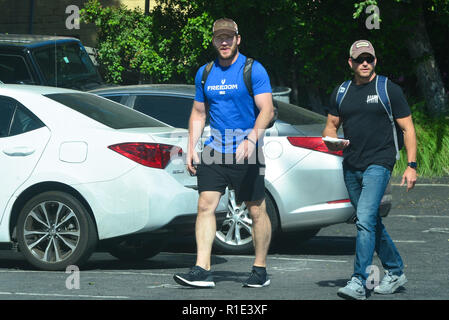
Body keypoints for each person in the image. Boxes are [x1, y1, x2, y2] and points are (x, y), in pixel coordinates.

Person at [173, 18, 275, 288]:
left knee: (256, 210)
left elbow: (267, 109)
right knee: (205, 205)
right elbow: (198, 112)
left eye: (229, 37)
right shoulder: (205, 72)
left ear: (238, 39)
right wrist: (192, 147)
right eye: (220, 37)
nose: (225, 42)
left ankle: (260, 268)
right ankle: (202, 269)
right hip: (215, 148)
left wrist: (252, 139)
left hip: (246, 150)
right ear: (214, 40)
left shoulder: (253, 69)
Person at [322, 40, 417, 300]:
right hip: (351, 164)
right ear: (350, 63)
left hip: (380, 162)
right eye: (359, 59)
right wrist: (332, 139)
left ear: (375, 61)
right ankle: (396, 270)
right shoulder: (342, 91)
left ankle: (359, 281)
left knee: (363, 219)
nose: (365, 63)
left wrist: (411, 165)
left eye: (369, 59)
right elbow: (330, 126)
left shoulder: (388, 89)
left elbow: (408, 129)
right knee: (370, 221)